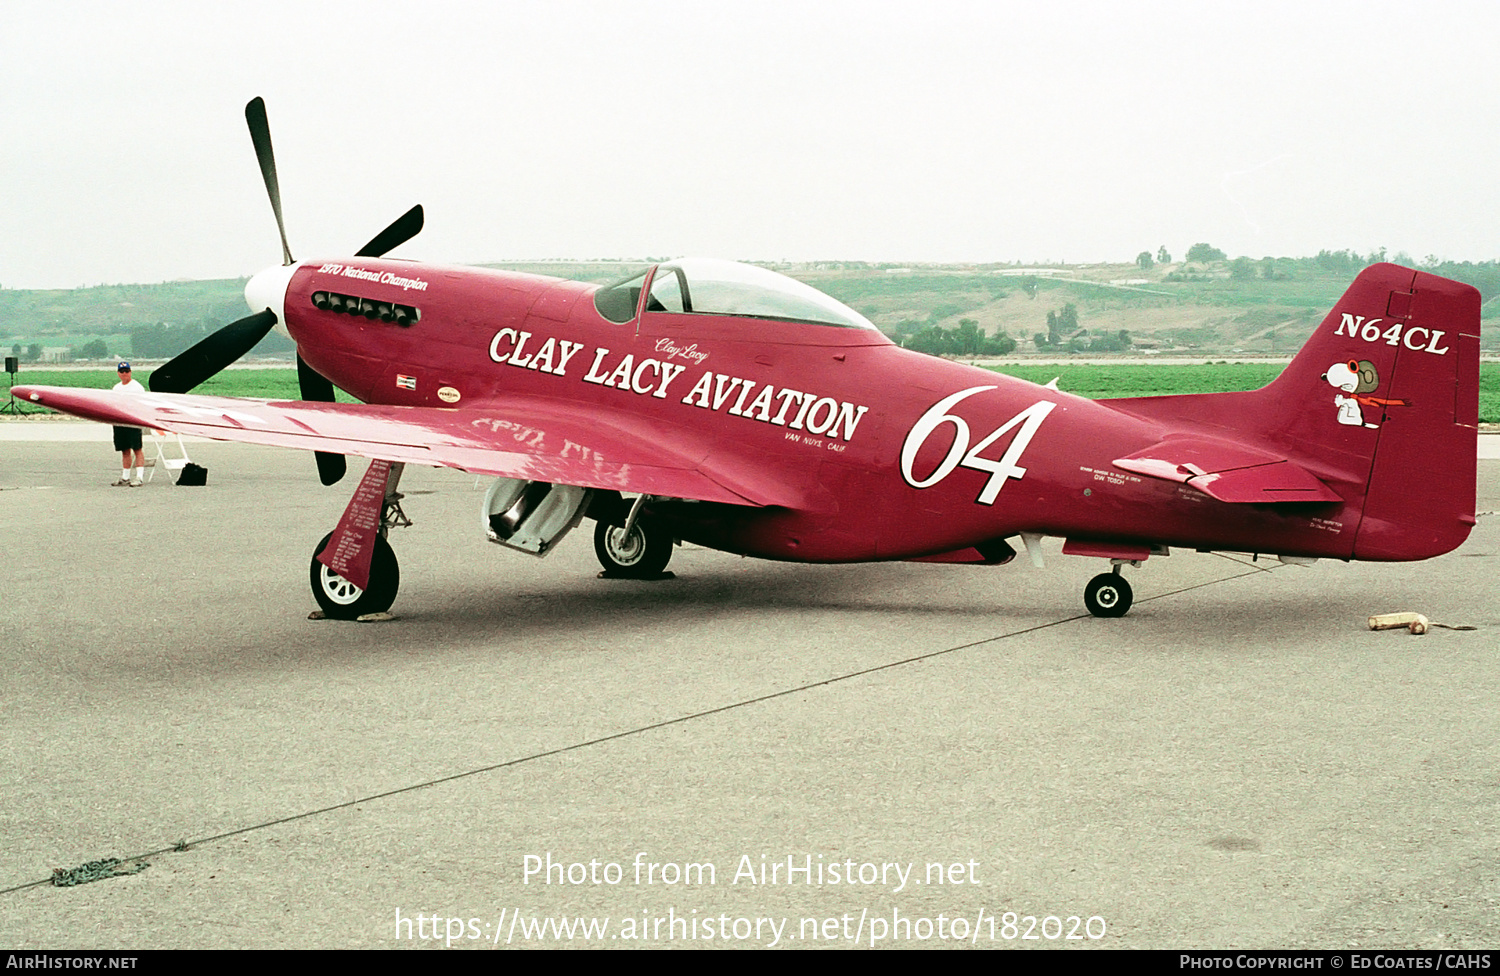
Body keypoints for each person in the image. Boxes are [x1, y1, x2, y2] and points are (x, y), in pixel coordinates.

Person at [111, 362, 146, 486]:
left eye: (127, 371)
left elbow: (142, 403)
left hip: (132, 420)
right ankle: (125, 477)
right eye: (122, 371)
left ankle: (139, 477)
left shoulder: (137, 387)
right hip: (120, 421)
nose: (124, 374)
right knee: (124, 449)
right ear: (118, 373)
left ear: (130, 372)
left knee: (137, 448)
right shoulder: (116, 388)